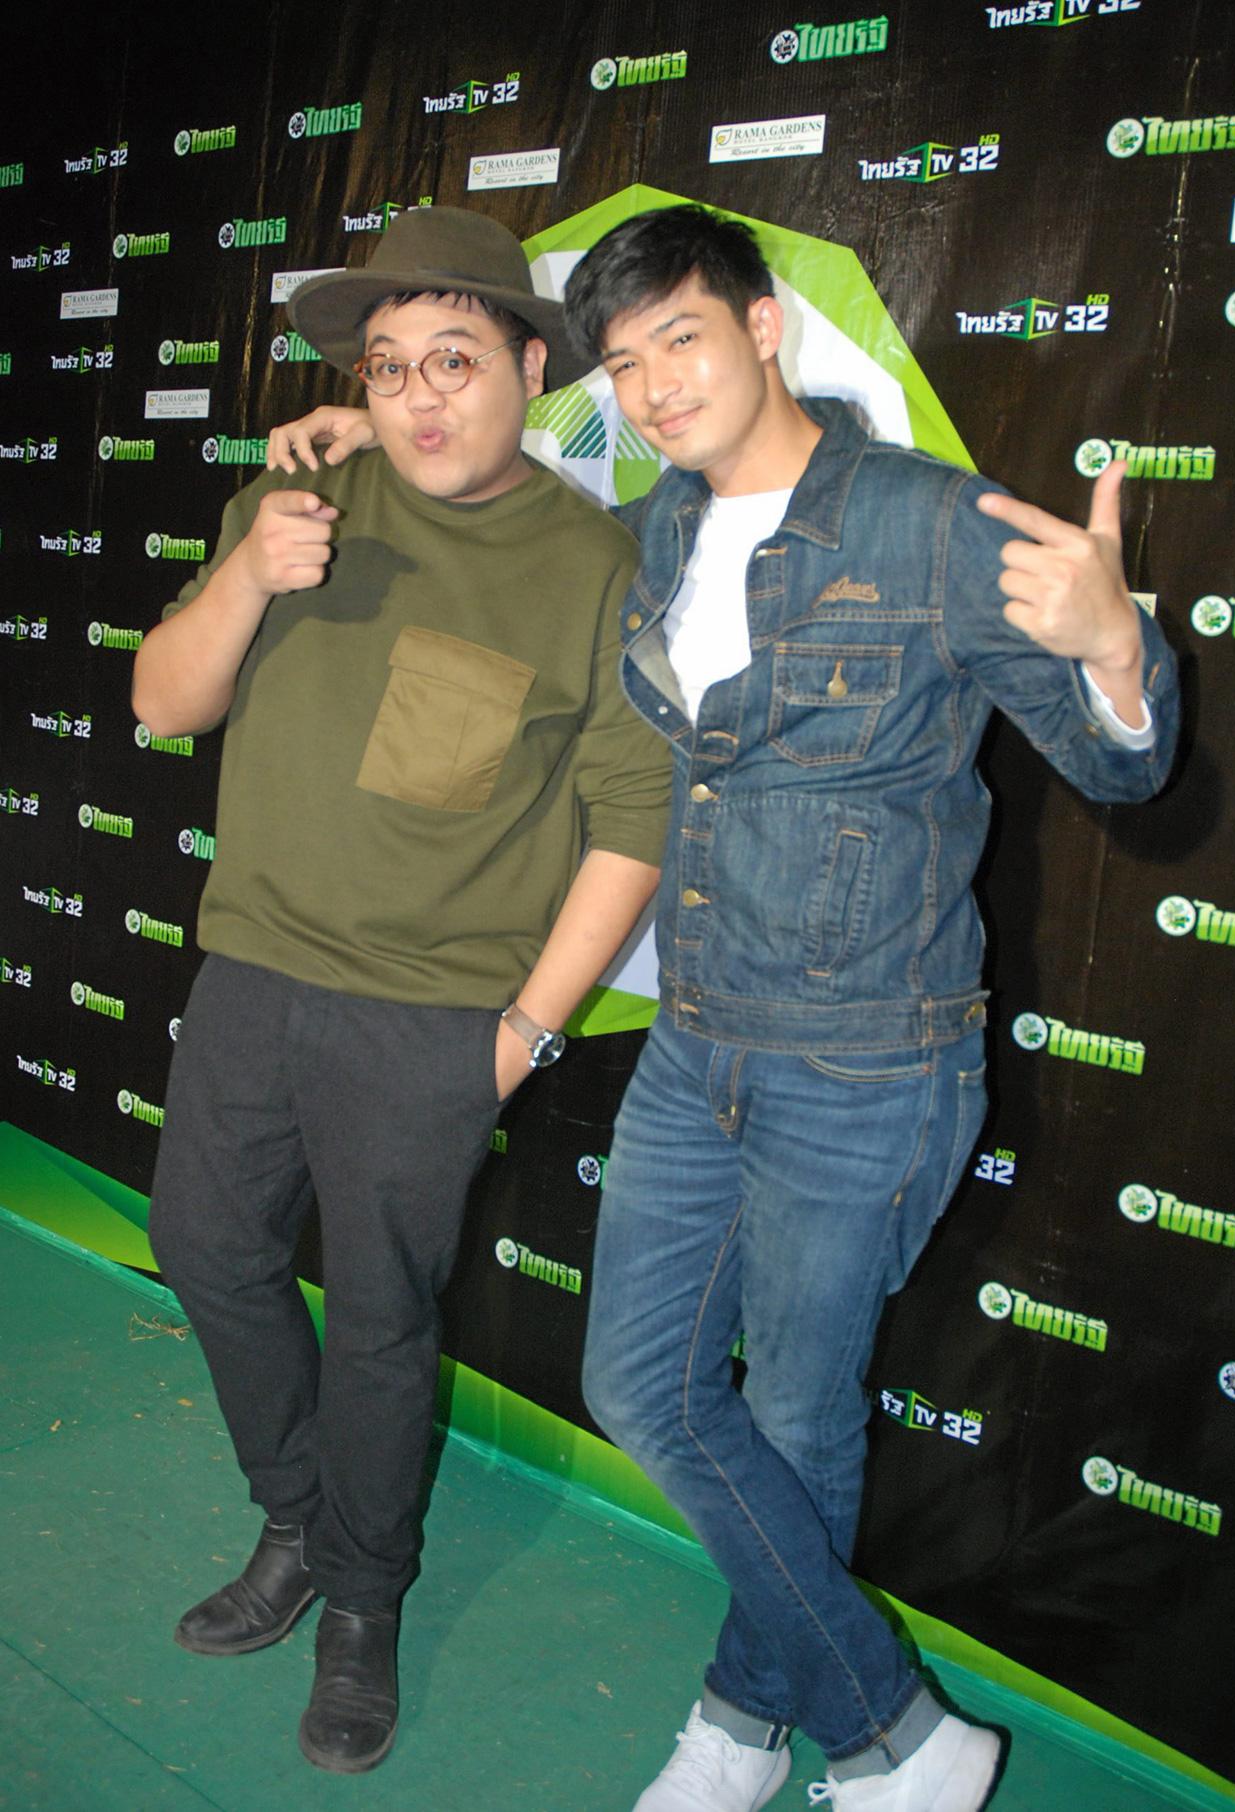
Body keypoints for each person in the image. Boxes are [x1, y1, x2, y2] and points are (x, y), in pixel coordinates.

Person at [269, 203, 1178, 1811]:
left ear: (764, 328)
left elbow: (1129, 768)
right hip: (697, 1044)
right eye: (623, 364)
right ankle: (897, 1733)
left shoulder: (931, 523)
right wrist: (363, 442)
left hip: (867, 1058)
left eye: (681, 338)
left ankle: (745, 1729)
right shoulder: (660, 528)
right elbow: (496, 493)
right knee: (644, 1385)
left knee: (801, 1415)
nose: (655, 387)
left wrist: (1118, 650)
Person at [131, 205, 670, 1776]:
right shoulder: (297, 497)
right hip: (254, 971)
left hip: (432, 1019)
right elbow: (164, 702)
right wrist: (251, 573)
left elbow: (636, 819)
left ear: (529, 370)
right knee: (204, 1246)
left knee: (378, 1320)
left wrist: (520, 1036)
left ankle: (362, 1601)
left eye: (455, 359)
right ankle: (299, 1518)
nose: (421, 396)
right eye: (388, 366)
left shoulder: (595, 566)